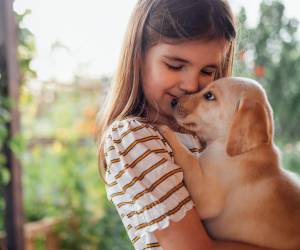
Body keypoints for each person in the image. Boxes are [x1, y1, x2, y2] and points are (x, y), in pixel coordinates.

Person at [96, 1, 276, 249]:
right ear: (138, 56)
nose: (192, 85)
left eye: (208, 70)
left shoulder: (209, 136)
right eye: (175, 65)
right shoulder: (133, 138)